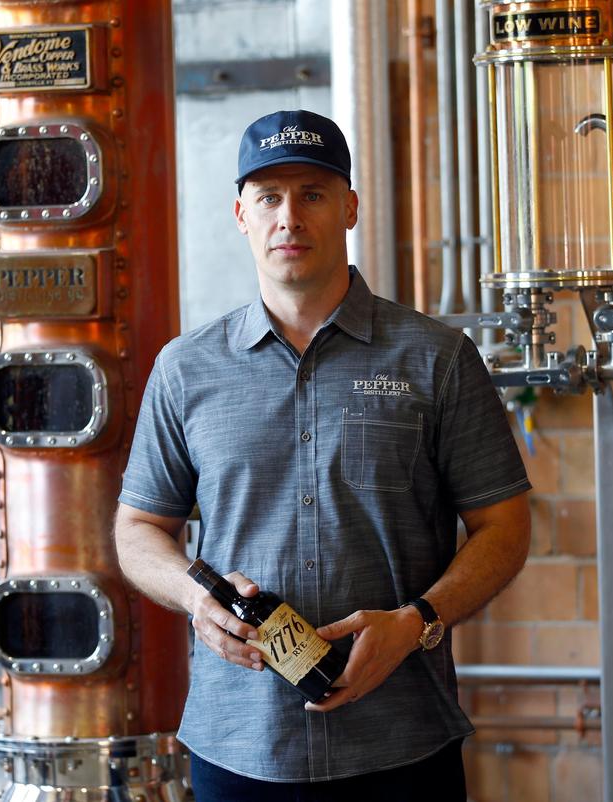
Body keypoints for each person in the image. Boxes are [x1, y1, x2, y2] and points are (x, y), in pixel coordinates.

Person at [114, 109, 531, 802]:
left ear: (350, 208)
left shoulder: (436, 358)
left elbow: (505, 529)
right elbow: (137, 530)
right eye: (269, 197)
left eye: (312, 193)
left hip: (402, 738)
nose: (290, 217)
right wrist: (196, 599)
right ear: (240, 214)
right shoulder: (187, 369)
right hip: (239, 744)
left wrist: (416, 623)